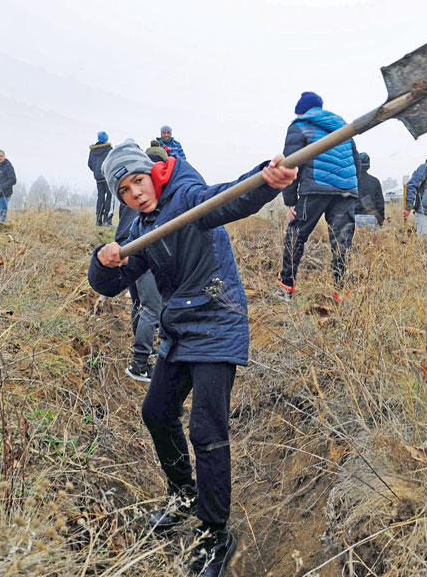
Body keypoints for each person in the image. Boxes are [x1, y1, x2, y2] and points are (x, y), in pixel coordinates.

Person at [88, 139, 296, 577]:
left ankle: (214, 531)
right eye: (124, 190)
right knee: (156, 411)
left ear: (153, 173)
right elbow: (109, 284)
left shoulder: (185, 195)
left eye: (138, 181)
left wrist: (266, 179)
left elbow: (229, 199)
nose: (135, 194)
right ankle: (183, 493)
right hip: (180, 328)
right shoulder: (139, 224)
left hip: (217, 320)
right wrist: (103, 262)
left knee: (206, 429)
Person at [276, 91, 360, 302]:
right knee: (342, 242)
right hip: (346, 190)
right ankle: (341, 293)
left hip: (316, 188)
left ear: (301, 109)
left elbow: (290, 163)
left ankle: (286, 287)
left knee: (296, 236)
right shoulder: (343, 128)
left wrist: (291, 200)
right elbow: (356, 164)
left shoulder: (300, 124)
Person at [114, 141, 166, 382]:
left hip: (125, 248)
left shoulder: (129, 181)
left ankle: (142, 352)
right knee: (151, 307)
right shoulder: (150, 188)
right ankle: (140, 363)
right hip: (140, 250)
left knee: (138, 304)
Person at [89, 131, 113, 226]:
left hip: (98, 177)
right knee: (110, 196)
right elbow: (112, 162)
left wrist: (96, 171)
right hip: (107, 176)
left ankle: (98, 220)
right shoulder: (109, 149)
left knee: (100, 196)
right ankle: (107, 220)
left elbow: (89, 163)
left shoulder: (93, 150)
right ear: (106, 138)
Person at [355, 152, 386, 228]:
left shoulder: (351, 181)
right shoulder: (375, 181)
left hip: (353, 218)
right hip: (372, 219)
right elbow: (380, 205)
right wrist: (381, 221)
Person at [0, 149, 17, 223]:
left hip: (5, 194)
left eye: (1, 156)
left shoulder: (8, 166)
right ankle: (1, 223)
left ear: (4, 156)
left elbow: (13, 180)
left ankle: (2, 226)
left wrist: (1, 187)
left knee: (2, 213)